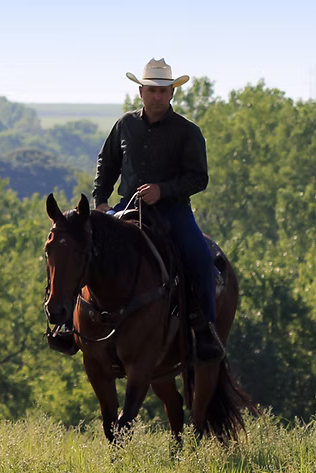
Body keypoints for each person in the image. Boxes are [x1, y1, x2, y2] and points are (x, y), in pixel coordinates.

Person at [91, 58, 224, 362]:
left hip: (173, 211)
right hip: (128, 207)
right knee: (87, 246)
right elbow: (107, 163)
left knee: (201, 258)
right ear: (141, 91)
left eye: (163, 91)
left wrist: (163, 190)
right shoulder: (125, 124)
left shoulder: (187, 132)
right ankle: (73, 325)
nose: (157, 96)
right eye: (151, 90)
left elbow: (198, 178)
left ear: (173, 94)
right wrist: (100, 201)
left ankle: (205, 331)